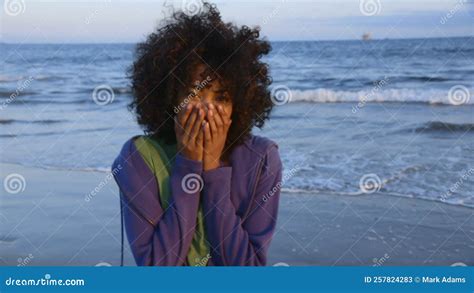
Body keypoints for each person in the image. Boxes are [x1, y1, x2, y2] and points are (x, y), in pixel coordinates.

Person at [112, 2, 282, 266]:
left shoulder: (262, 160)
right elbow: (157, 267)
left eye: (221, 97)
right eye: (194, 94)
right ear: (170, 98)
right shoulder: (138, 159)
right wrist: (189, 165)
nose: (206, 109)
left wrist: (213, 169)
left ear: (239, 104)